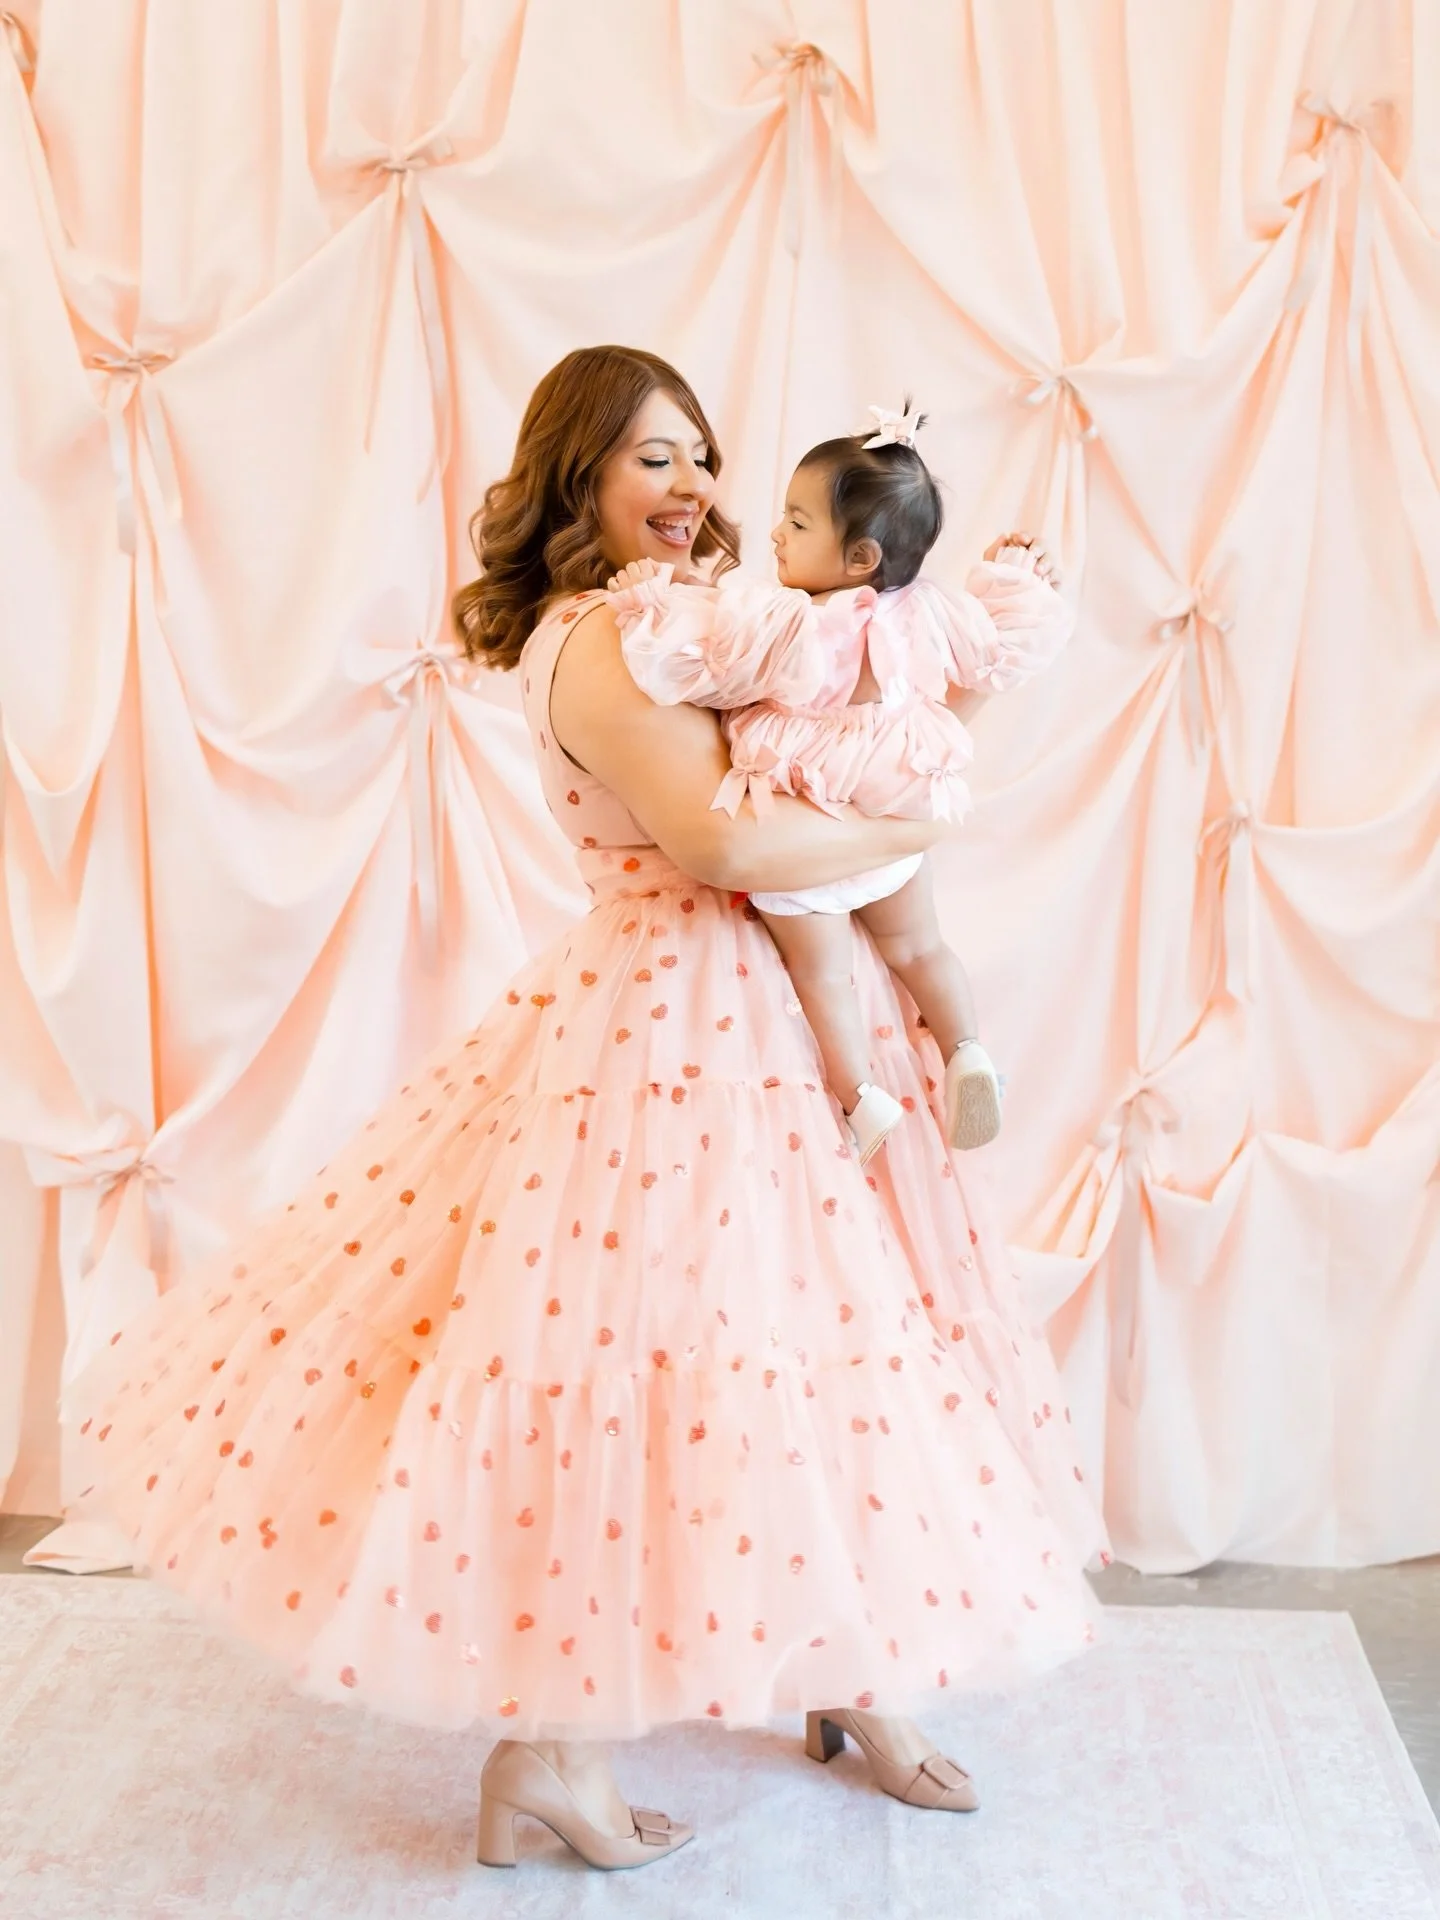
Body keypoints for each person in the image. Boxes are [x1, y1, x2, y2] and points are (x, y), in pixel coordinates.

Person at [65, 345, 1108, 1875]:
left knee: (846, 1350)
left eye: (700, 456)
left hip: (774, 1013)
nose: (690, 489)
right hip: (681, 1025)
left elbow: (806, 749)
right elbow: (722, 835)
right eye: (651, 460)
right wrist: (934, 801)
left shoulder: (695, 625)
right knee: (658, 1367)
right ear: (580, 476)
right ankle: (551, 1752)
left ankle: (853, 1673)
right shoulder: (604, 640)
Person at [604, 400, 1072, 1166]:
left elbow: (713, 671)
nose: (778, 534)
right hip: (892, 794)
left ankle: (860, 1097)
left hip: (807, 813)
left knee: (822, 973)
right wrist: (1015, 576)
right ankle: (968, 1050)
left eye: (796, 521)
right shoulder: (925, 613)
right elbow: (993, 649)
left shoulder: (786, 620)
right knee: (920, 945)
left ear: (856, 557)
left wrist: (647, 603)